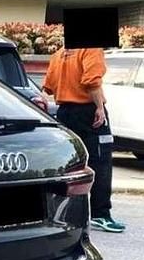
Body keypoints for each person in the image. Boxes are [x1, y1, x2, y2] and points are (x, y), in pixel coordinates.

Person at [43, 47, 125, 233]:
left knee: (68, 163)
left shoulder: (59, 53)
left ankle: (61, 213)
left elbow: (48, 86)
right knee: (100, 161)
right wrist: (99, 108)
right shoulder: (91, 50)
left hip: (64, 112)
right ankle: (100, 215)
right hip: (88, 111)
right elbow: (92, 81)